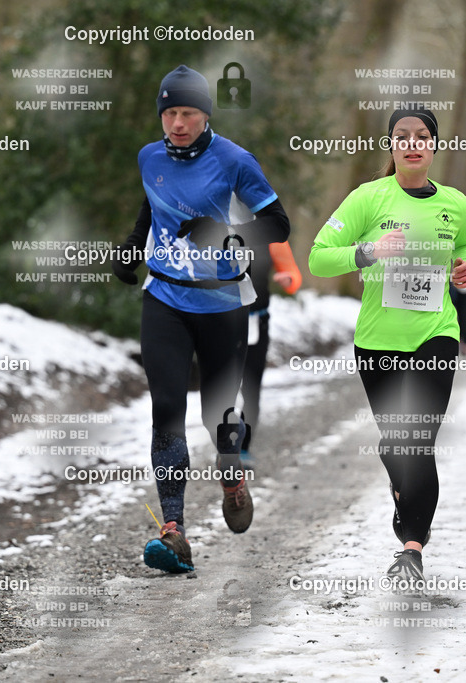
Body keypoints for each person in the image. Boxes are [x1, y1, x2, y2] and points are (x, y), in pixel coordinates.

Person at [110, 65, 290, 573]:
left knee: (218, 413)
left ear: (205, 114)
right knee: (166, 407)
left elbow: (278, 223)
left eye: (187, 112)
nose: (177, 123)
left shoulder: (235, 160)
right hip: (165, 297)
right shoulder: (149, 157)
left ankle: (230, 472)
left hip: (223, 303)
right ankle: (174, 531)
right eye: (169, 112)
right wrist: (131, 248)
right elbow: (153, 208)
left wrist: (228, 234)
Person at [309, 109, 466, 583]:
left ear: (434, 146)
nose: (413, 143)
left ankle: (411, 549)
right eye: (402, 137)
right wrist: (368, 251)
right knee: (397, 443)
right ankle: (402, 486)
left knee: (418, 438)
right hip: (379, 342)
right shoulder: (367, 199)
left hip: (436, 334)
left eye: (422, 136)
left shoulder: (454, 203)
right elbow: (319, 259)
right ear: (390, 146)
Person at [239, 239, 302, 468]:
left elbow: (293, 274)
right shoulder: (214, 223)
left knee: (251, 387)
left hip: (256, 321)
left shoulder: (271, 234)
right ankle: (224, 444)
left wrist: (289, 280)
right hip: (218, 321)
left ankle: (242, 448)